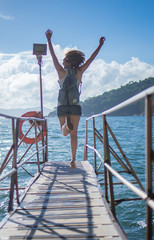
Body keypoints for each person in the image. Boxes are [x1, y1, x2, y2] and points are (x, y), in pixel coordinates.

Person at [45, 29, 105, 169]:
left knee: (64, 132)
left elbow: (52, 56)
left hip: (62, 106)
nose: (62, 60)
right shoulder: (79, 71)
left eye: (64, 59)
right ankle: (73, 159)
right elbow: (91, 59)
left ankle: (66, 125)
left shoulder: (60, 71)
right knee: (74, 135)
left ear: (66, 61)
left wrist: (49, 40)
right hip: (75, 106)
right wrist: (100, 45)